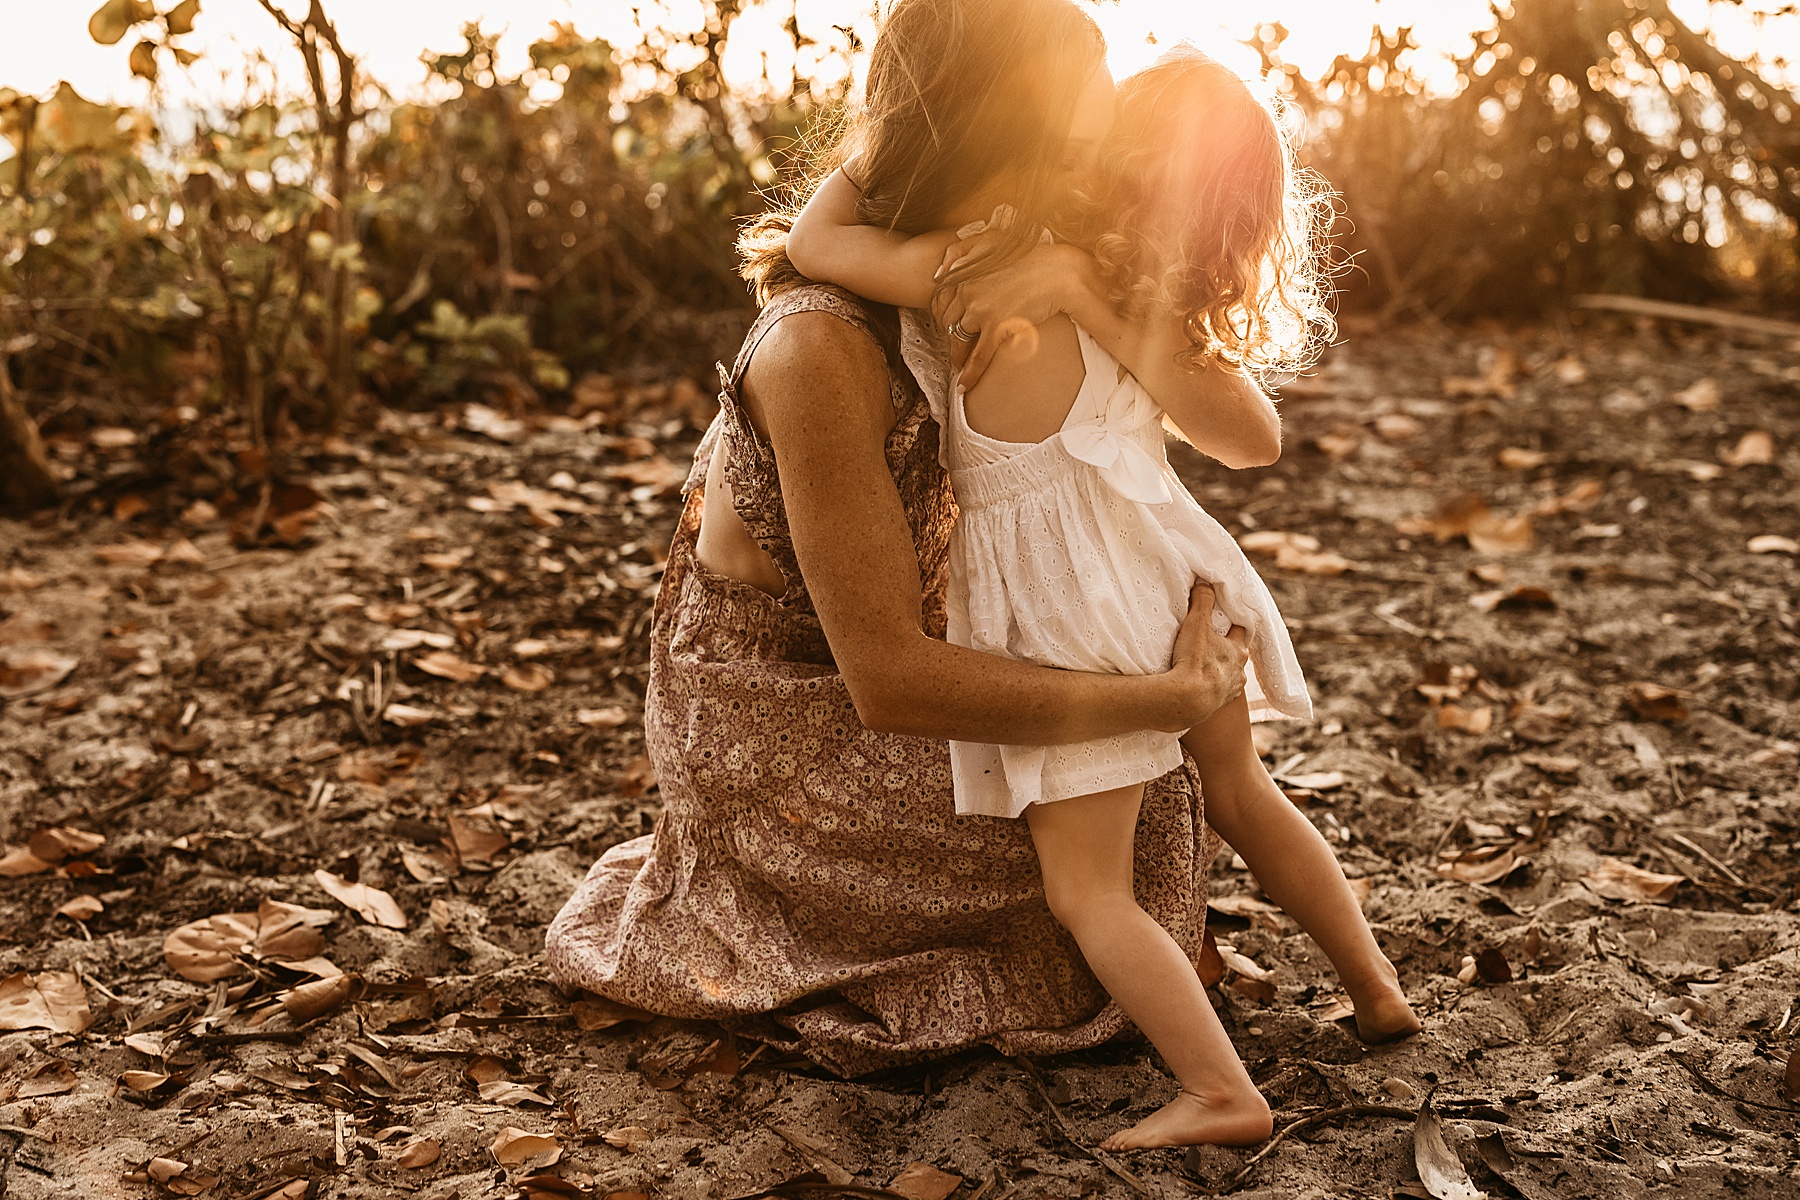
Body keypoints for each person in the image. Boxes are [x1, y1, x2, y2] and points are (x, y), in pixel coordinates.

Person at [545, 0, 1270, 1079]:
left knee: (1144, 810)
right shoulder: (823, 346)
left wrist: (1082, 287)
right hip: (790, 718)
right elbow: (885, 678)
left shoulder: (998, 260)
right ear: (1007, 119)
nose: (1111, 114)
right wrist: (1158, 701)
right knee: (1125, 822)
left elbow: (1241, 421)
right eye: (1088, 88)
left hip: (903, 665)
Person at [783, 44, 1420, 1148]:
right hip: (1173, 574)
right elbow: (1253, 439)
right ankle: (1376, 991)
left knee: (1090, 894)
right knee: (1243, 792)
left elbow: (814, 243)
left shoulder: (991, 262)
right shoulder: (1141, 294)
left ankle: (1222, 1092)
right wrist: (1094, 291)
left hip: (1076, 603)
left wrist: (889, 136)